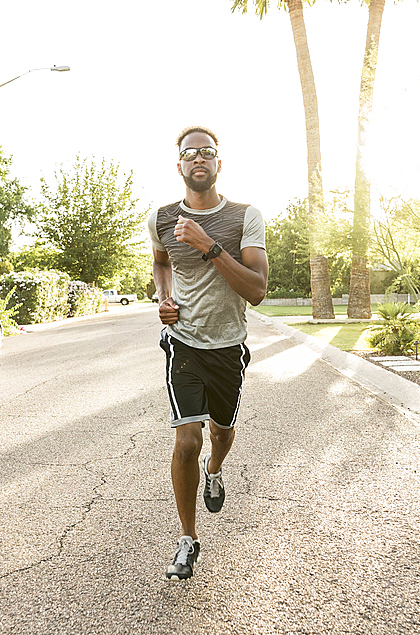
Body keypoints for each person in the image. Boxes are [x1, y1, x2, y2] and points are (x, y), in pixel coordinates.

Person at [148, 126, 268, 580]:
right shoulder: (160, 218)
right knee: (186, 438)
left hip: (228, 346)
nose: (199, 158)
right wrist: (164, 296)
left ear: (219, 163)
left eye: (208, 152)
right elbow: (162, 262)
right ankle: (187, 539)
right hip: (184, 341)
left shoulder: (245, 217)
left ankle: (215, 469)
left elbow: (256, 290)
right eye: (189, 153)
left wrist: (208, 245)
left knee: (221, 434)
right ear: (179, 164)